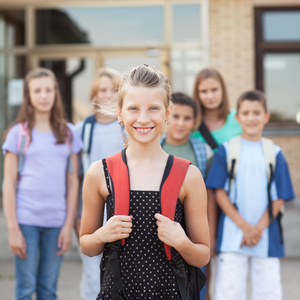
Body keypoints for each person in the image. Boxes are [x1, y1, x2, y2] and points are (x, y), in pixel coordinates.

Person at [80, 65, 210, 299]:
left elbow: (202, 255)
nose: (143, 118)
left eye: (153, 108)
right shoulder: (99, 172)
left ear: (168, 112)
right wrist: (102, 235)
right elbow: (87, 245)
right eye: (133, 108)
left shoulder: (188, 176)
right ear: (119, 113)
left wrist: (182, 242)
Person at [206, 90, 294, 300]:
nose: (251, 118)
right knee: (229, 292)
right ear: (237, 118)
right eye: (246, 113)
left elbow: (279, 198)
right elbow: (219, 193)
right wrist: (245, 227)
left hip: (266, 236)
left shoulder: (276, 153)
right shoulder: (226, 151)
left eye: (256, 113)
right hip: (232, 237)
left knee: (268, 293)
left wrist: (256, 230)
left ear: (266, 116)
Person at [2, 68, 82, 300]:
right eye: (37, 91)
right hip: (26, 222)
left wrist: (67, 226)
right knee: (25, 290)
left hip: (56, 223)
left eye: (48, 90)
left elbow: (73, 182)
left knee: (48, 290)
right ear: (28, 95)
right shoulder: (18, 134)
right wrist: (14, 229)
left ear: (56, 93)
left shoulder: (68, 134)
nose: (44, 96)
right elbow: (8, 183)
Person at [191, 68, 242, 299]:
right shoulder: (192, 124)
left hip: (233, 198)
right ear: (197, 93)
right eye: (204, 91)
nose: (210, 95)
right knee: (204, 258)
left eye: (214, 89)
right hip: (202, 201)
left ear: (223, 90)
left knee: (231, 262)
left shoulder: (237, 120)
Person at [75, 68, 124, 300]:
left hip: (122, 207)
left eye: (114, 89)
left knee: (121, 267)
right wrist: (78, 215)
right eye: (103, 90)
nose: (109, 94)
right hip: (93, 208)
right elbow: (78, 174)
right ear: (95, 94)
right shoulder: (84, 129)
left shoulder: (127, 126)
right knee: (92, 270)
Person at [161, 92, 213, 179]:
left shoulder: (206, 152)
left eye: (187, 118)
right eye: (176, 116)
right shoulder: (152, 148)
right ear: (166, 116)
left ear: (194, 121)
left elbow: (209, 190)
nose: (181, 123)